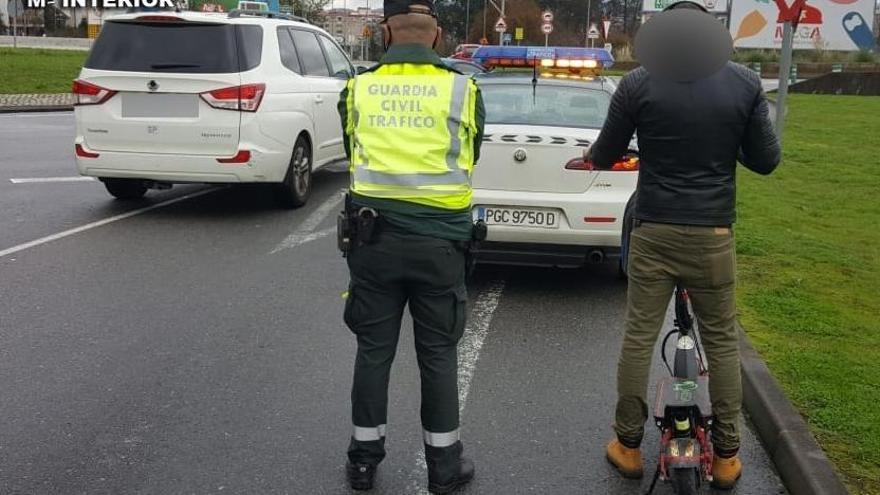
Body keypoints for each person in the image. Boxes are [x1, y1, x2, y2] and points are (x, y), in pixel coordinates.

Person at [589, 1, 781, 489]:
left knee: (637, 337)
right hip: (713, 232)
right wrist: (730, 141)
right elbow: (766, 161)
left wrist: (594, 157)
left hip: (654, 230)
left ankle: (628, 446)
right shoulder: (743, 83)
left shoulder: (638, 82)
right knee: (721, 341)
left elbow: (608, 151)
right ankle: (727, 457)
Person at [336, 0, 485, 492]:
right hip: (440, 245)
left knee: (373, 352)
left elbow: (351, 144)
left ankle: (363, 462)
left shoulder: (358, 88)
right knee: (438, 355)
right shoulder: (464, 89)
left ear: (385, 35)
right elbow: (472, 152)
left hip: (372, 241)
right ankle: (444, 468)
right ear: (438, 38)